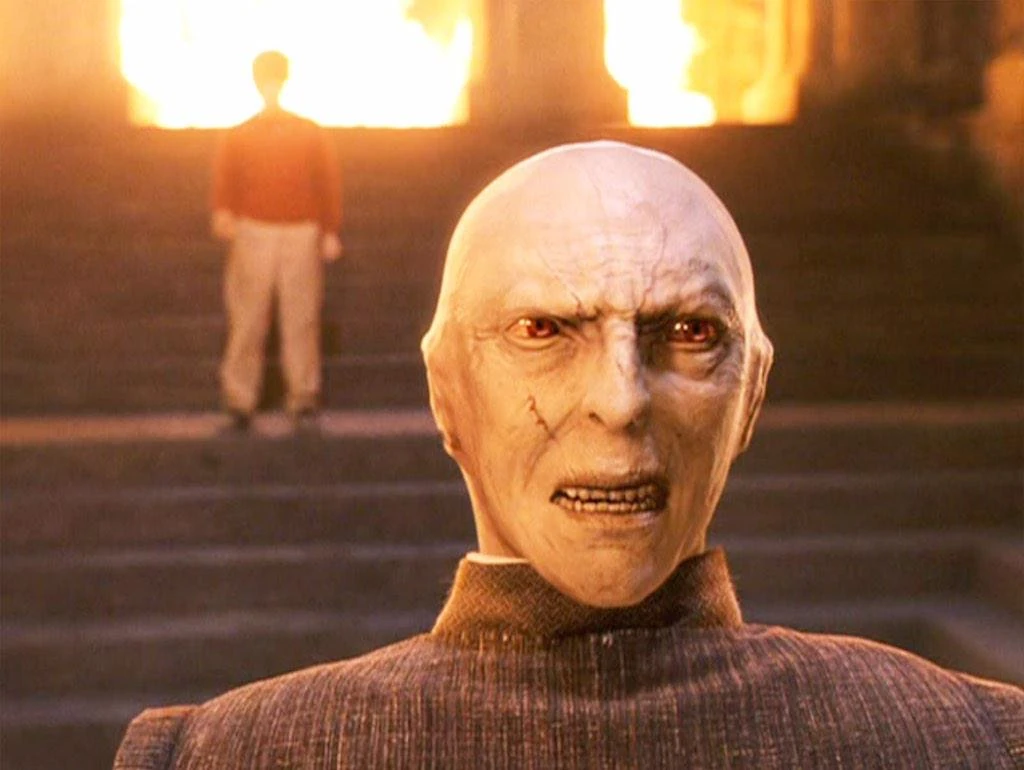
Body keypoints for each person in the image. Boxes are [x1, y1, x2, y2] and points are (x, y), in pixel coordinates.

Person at [114, 141, 1022, 768]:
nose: (620, 401)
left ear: (752, 392)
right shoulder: (974, 738)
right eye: (542, 329)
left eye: (689, 333)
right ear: (445, 392)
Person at [211, 50, 342, 432]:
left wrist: (329, 229)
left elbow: (326, 180)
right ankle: (239, 399)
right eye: (265, 80)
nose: (270, 87)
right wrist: (223, 211)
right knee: (247, 317)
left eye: (274, 79)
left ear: (283, 82)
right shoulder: (240, 134)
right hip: (254, 230)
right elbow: (226, 177)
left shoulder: (309, 132)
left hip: (300, 230)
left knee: (301, 318)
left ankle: (303, 397)